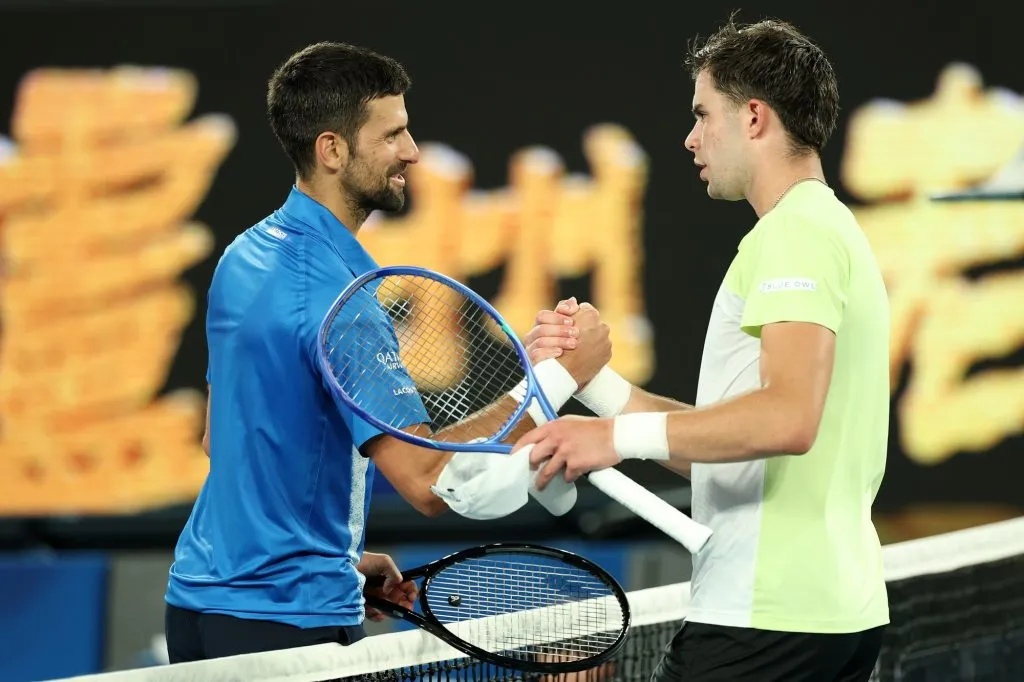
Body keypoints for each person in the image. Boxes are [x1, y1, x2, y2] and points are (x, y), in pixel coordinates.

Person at [163, 41, 610, 664]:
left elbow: (226, 442)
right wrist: (557, 377)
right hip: (287, 628)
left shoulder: (244, 254)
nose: (412, 151)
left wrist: (338, 558)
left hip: (197, 608)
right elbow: (431, 482)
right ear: (333, 150)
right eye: (393, 134)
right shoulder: (344, 301)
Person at [517, 17, 891, 682]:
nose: (691, 137)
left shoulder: (792, 238)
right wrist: (593, 381)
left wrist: (611, 437)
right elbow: (736, 453)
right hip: (828, 617)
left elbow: (786, 419)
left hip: (764, 622)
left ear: (754, 117)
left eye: (702, 113)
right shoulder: (828, 229)